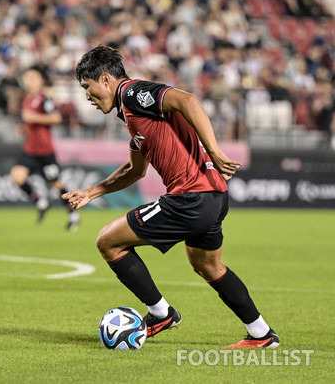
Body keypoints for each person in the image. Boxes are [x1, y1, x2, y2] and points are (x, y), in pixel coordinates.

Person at [63, 45, 279, 348]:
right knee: (208, 267)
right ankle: (261, 333)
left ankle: (160, 313)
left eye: (88, 86)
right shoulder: (131, 116)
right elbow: (135, 171)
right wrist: (92, 191)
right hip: (213, 197)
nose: (87, 95)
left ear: (106, 79)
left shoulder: (131, 93)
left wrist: (215, 151)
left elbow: (186, 100)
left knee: (108, 241)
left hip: (190, 198)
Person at [9, 67, 80, 231]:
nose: (29, 80)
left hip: (45, 151)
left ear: (41, 81)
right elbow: (31, 123)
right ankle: (40, 201)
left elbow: (56, 118)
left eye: (33, 77)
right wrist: (24, 128)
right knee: (17, 177)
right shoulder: (27, 99)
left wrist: (33, 118)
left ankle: (73, 214)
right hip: (30, 149)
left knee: (57, 184)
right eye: (27, 77)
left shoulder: (44, 98)